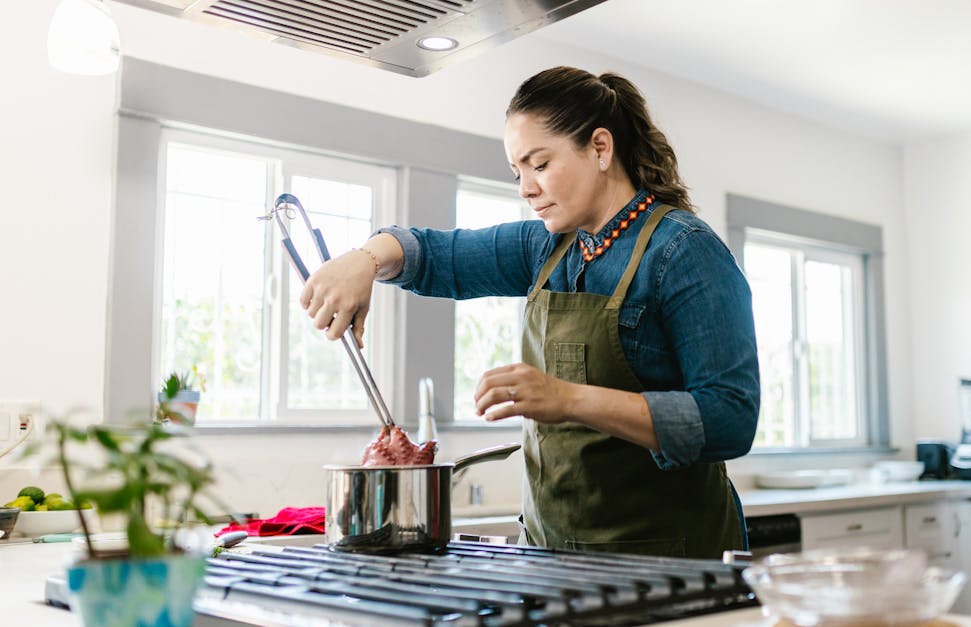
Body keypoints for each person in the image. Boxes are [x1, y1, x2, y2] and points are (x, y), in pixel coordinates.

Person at [300, 66, 760, 559]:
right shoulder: (546, 248)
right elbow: (434, 255)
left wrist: (566, 399)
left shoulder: (685, 252)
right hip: (551, 559)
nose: (525, 187)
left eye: (538, 164)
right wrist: (364, 260)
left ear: (600, 148)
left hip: (670, 563)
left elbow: (729, 417)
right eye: (517, 172)